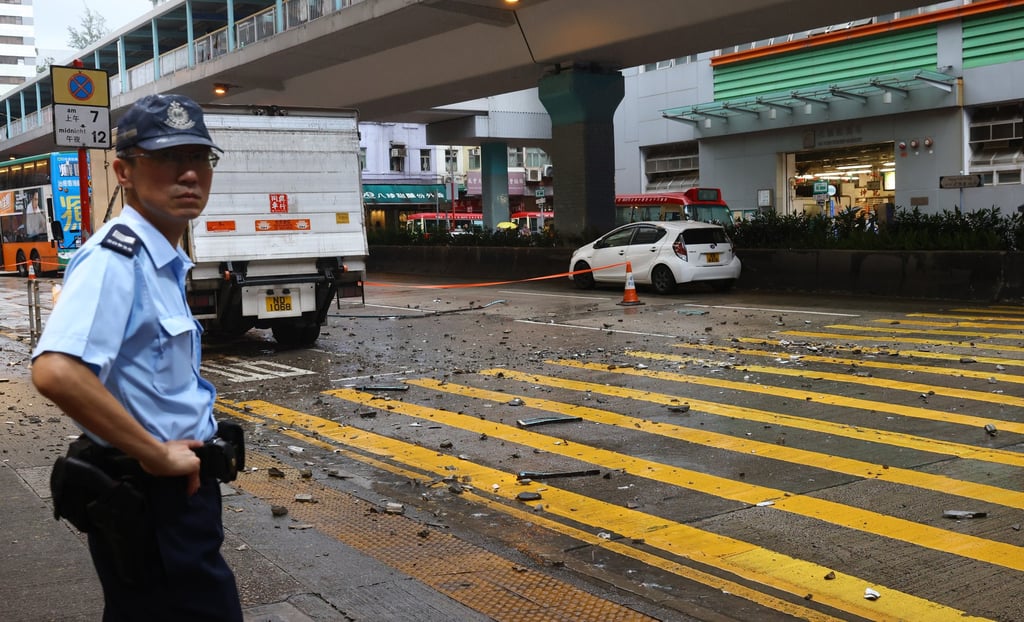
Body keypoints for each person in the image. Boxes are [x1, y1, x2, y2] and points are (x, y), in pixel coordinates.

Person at [31, 94, 243, 622]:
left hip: (174, 498)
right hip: (152, 497)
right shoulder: (116, 259)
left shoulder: (159, 259)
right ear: (123, 170)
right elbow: (56, 371)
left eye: (199, 158)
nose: (190, 174)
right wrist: (153, 452)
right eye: (168, 159)